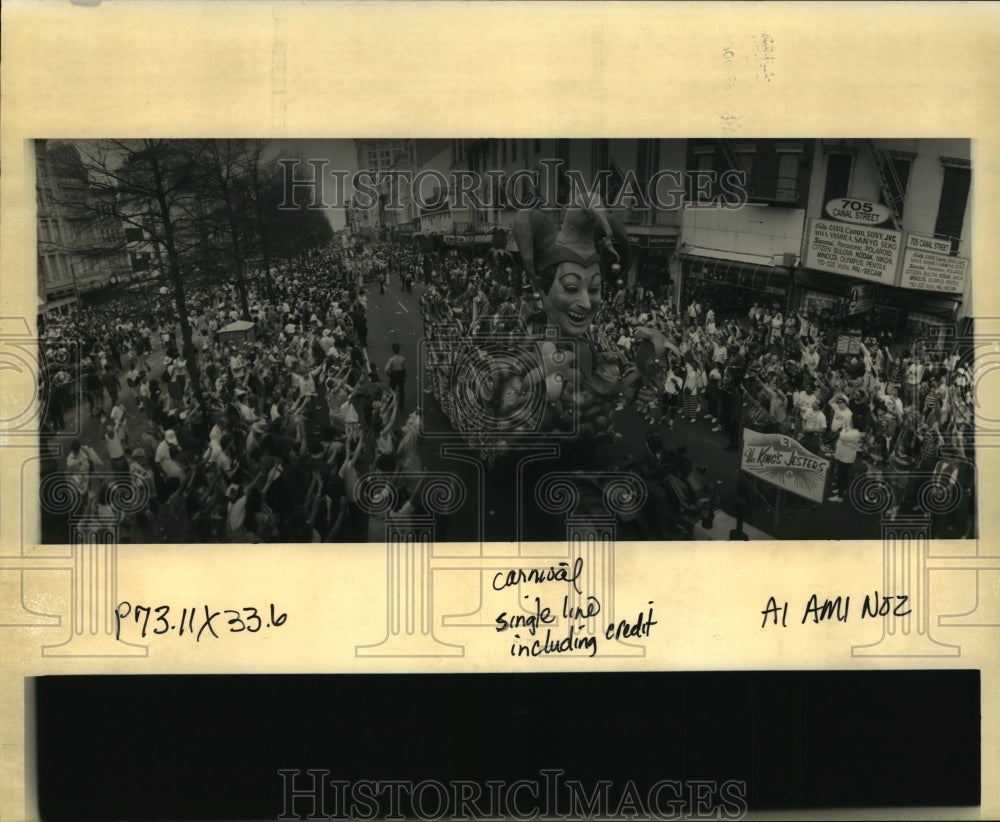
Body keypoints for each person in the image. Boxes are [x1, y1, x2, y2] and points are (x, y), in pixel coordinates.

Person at [384, 342, 407, 412]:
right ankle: (401, 405)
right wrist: (405, 376)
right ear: (399, 350)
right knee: (401, 391)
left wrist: (390, 375)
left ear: (393, 350)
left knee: (392, 390)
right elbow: (405, 369)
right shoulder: (402, 358)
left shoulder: (391, 360)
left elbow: (386, 369)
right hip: (400, 375)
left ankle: (390, 403)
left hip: (394, 375)